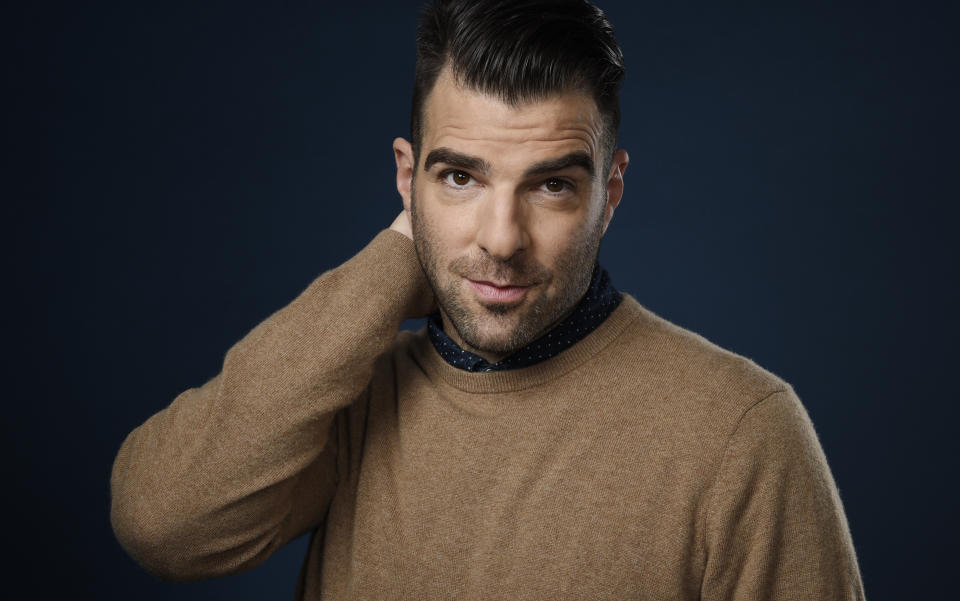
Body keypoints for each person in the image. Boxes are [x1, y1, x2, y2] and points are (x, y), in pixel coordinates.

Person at [110, 0, 866, 598]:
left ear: (611, 194)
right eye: (460, 178)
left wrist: (446, 229)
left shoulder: (742, 432)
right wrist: (397, 260)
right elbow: (162, 522)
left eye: (552, 185)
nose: (501, 239)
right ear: (408, 181)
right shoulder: (352, 397)